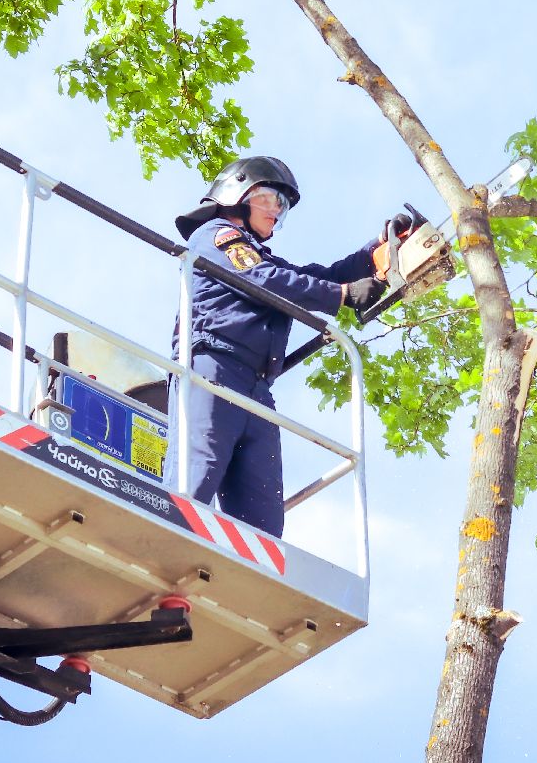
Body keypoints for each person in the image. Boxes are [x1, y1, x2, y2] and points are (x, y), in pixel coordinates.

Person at [168, 156, 394, 537]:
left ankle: (249, 588)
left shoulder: (259, 256)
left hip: (258, 388)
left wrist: (376, 252)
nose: (277, 212)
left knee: (264, 515)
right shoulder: (214, 235)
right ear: (236, 193)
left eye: (282, 206)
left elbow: (307, 278)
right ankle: (167, 567)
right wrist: (342, 296)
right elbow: (264, 279)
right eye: (271, 199)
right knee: (196, 475)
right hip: (214, 368)